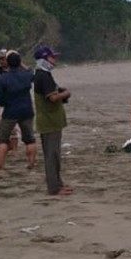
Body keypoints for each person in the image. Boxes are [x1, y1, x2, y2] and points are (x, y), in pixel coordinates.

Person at [0, 51, 38, 171]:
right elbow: (32, 71)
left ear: (7, 63)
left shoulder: (3, 79)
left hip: (10, 111)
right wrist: (21, 63)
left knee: (1, 139)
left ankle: (1, 167)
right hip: (26, 110)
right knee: (30, 139)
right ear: (19, 62)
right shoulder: (26, 75)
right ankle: (31, 163)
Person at [33, 44, 73, 196]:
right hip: (49, 122)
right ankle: (54, 188)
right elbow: (52, 97)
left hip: (51, 121)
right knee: (52, 155)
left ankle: (58, 184)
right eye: (51, 57)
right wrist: (65, 94)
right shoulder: (43, 76)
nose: (54, 60)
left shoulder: (42, 75)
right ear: (44, 59)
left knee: (54, 155)